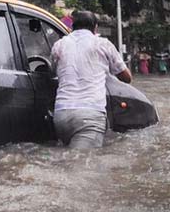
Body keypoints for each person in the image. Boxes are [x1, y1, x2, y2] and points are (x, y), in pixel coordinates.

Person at [51, 11, 132, 149]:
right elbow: (126, 77)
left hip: (61, 114)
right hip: (89, 116)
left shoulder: (59, 45)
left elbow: (54, 72)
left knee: (68, 161)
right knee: (82, 165)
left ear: (72, 27)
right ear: (95, 28)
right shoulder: (102, 44)